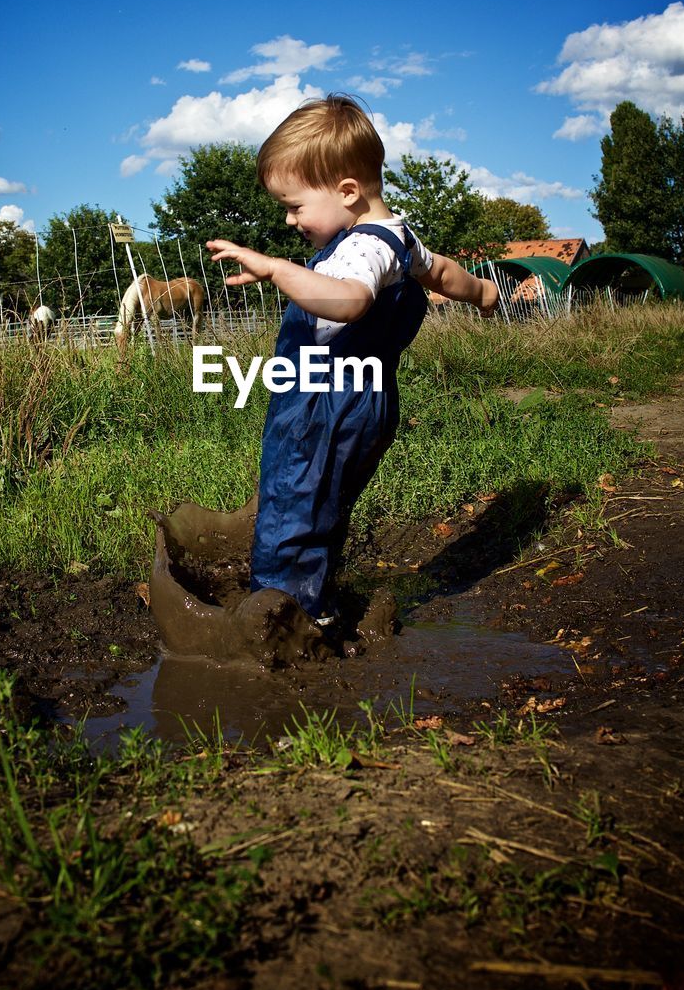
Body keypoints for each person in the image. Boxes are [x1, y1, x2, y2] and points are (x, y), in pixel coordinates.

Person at [207, 94, 498, 625]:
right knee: (319, 507)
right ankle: (316, 600)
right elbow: (443, 273)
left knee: (291, 511)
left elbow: (350, 299)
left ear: (347, 191)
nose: (291, 219)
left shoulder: (363, 249)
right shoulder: (398, 239)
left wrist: (275, 270)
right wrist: (481, 292)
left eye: (295, 205)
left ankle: (283, 626)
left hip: (326, 402)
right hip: (367, 400)